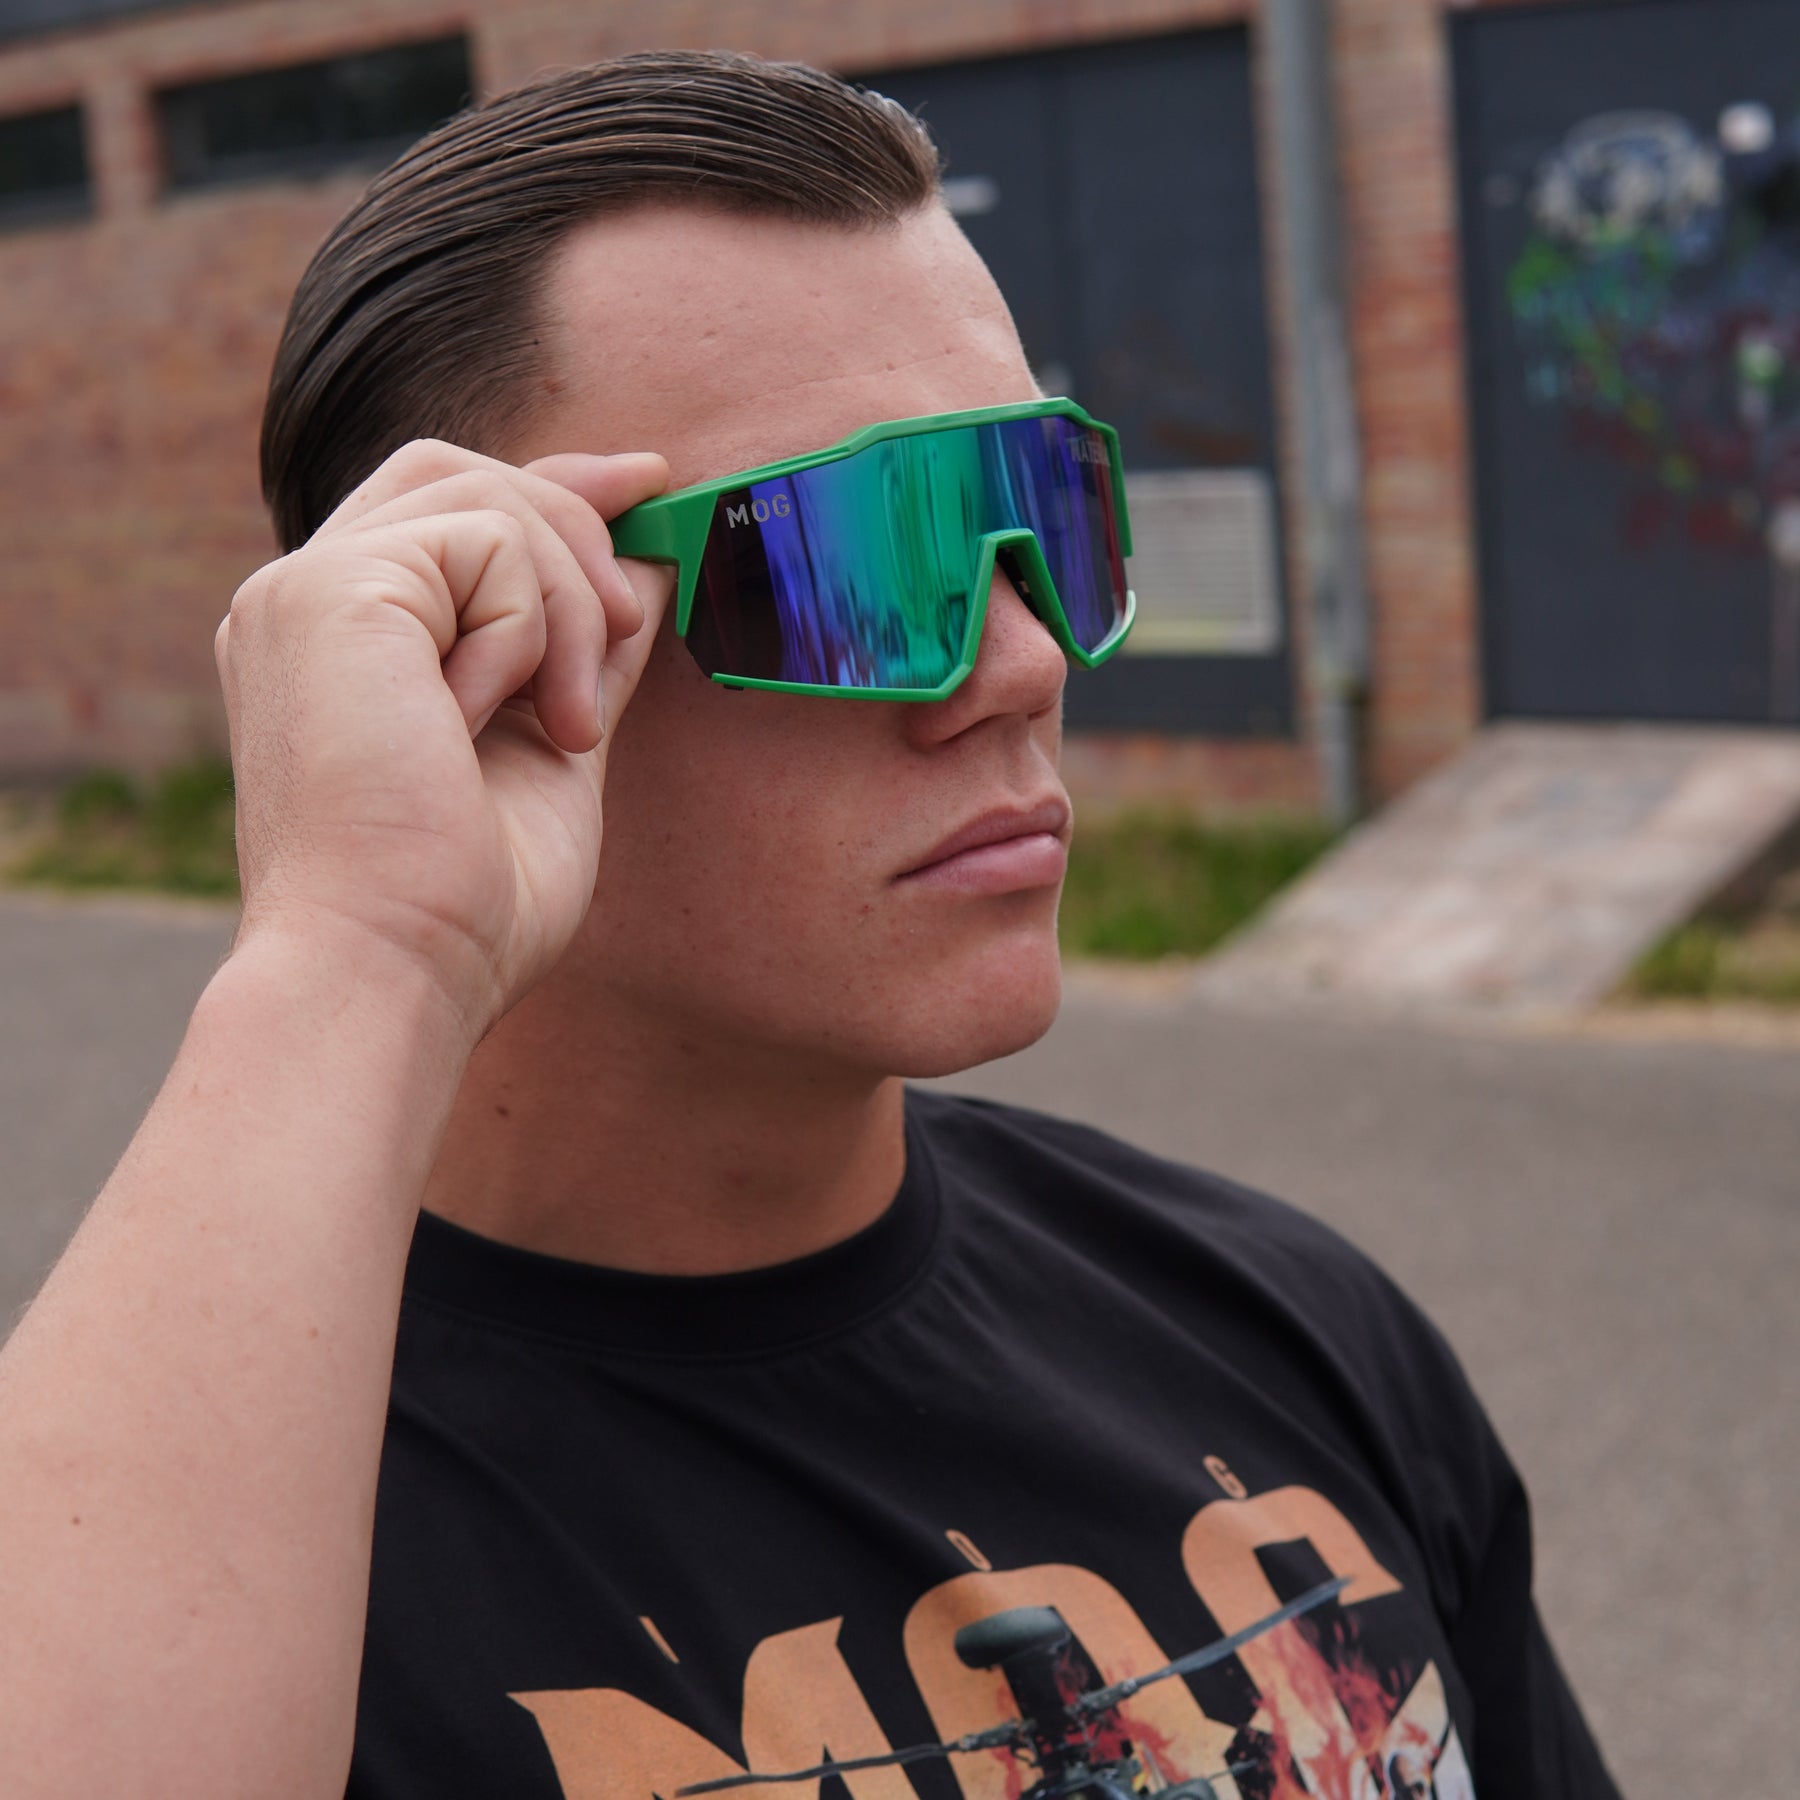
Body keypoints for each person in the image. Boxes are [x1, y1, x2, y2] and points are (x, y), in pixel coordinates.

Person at [0, 50, 1620, 1800]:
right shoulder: (200, 1528)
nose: (1023, 662)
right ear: (475, 651)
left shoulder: (1285, 1326)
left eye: (1042, 519)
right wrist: (358, 941)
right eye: (859, 560)